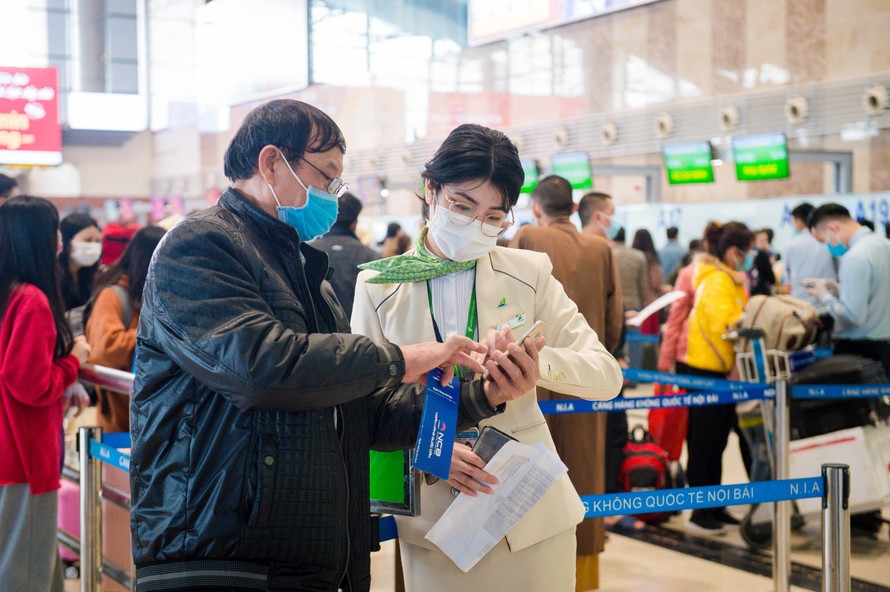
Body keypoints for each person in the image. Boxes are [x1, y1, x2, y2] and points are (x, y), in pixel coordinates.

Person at [129, 99, 509, 592]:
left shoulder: (308, 274)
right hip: (223, 557)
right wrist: (398, 360)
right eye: (327, 176)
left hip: (306, 559)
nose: (332, 193)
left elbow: (359, 415)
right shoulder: (201, 246)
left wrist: (481, 395)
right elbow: (262, 368)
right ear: (271, 163)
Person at [352, 125, 623, 592]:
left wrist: (539, 366)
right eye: (462, 206)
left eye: (494, 216)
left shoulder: (528, 272)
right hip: (438, 526)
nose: (476, 225)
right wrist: (428, 451)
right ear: (430, 191)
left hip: (529, 510)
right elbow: (360, 404)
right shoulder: (378, 284)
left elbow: (606, 375)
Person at [508, 174, 623, 590]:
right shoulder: (599, 247)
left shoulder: (527, 237)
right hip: (585, 382)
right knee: (583, 473)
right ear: (574, 208)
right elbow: (613, 324)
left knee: (527, 481)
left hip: (526, 383)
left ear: (535, 208)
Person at [0, 195, 91, 591]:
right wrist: (73, 361)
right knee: (25, 571)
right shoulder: (31, 301)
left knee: (33, 564)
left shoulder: (9, 294)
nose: (60, 238)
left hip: (8, 456)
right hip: (22, 458)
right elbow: (28, 384)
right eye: (55, 229)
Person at [682, 221, 754, 535]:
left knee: (718, 441)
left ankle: (715, 504)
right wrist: (749, 318)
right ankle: (701, 510)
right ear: (734, 251)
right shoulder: (716, 280)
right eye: (746, 252)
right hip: (704, 371)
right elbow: (722, 324)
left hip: (720, 370)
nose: (748, 259)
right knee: (704, 442)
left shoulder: (729, 279)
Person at [85, 225, 165, 432]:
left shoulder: (154, 295)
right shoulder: (113, 296)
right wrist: (157, 336)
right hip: (119, 420)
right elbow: (105, 348)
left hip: (153, 417)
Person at [807, 203, 890, 374]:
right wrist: (839, 290)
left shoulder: (855, 257)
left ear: (833, 228)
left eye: (825, 240)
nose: (829, 246)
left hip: (860, 351)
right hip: (884, 347)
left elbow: (853, 315)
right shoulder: (883, 245)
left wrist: (824, 296)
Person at [309, 192, 380, 317]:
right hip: (360, 334)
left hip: (316, 335)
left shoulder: (306, 252)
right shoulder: (371, 256)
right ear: (355, 224)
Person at [783, 202, 837, 305]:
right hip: (827, 301)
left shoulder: (790, 244)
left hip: (800, 303)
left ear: (798, 221)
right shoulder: (829, 241)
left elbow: (787, 275)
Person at [59, 213, 102, 311]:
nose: (94, 246)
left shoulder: (92, 275)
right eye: (88, 240)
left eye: (97, 241)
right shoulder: (55, 276)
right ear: (68, 243)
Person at [749, 228, 777, 296]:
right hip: (761, 294)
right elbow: (772, 279)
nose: (765, 243)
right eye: (762, 240)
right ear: (754, 242)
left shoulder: (749, 254)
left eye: (766, 240)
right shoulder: (761, 255)